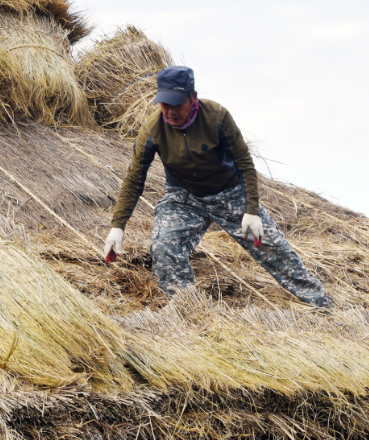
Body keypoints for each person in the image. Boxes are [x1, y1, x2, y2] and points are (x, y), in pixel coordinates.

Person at [103, 66, 333, 308]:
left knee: (275, 249)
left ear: (193, 98)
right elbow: (134, 178)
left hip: (230, 193)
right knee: (164, 248)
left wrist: (252, 209)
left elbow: (245, 163)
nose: (170, 111)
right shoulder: (153, 129)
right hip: (184, 197)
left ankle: (323, 305)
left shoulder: (217, 116)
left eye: (177, 103)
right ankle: (187, 311)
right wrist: (117, 227)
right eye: (164, 104)